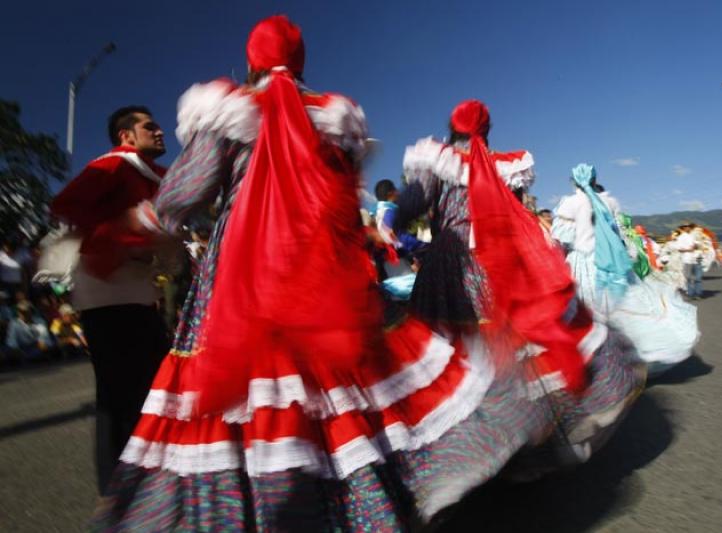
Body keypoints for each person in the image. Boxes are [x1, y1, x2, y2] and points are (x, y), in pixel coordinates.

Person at [93, 18, 582, 530]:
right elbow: (347, 208)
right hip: (322, 272)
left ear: (252, 61)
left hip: (243, 273)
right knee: (342, 390)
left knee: (259, 393)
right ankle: (372, 504)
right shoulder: (333, 120)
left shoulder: (230, 113)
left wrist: (128, 228)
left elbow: (181, 197)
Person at [397, 103, 644, 474]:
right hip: (500, 266)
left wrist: (395, 223)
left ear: (452, 128)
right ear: (487, 130)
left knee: (454, 357)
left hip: (451, 271)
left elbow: (412, 205)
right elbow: (516, 214)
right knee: (517, 353)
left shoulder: (436, 160)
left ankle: (469, 448)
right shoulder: (503, 167)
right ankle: (537, 435)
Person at [50, 105, 171, 494]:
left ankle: (146, 483)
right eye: (149, 126)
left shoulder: (154, 175)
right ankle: (116, 495)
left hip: (137, 294)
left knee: (154, 388)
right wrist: (124, 236)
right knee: (118, 399)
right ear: (126, 137)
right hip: (105, 295)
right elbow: (65, 205)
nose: (160, 131)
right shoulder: (113, 165)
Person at [551, 165, 699, 375]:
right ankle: (630, 356)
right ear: (595, 180)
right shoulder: (610, 202)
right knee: (624, 310)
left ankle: (598, 361)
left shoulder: (570, 203)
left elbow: (562, 237)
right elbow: (622, 234)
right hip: (612, 261)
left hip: (582, 263)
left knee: (587, 312)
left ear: (574, 182)